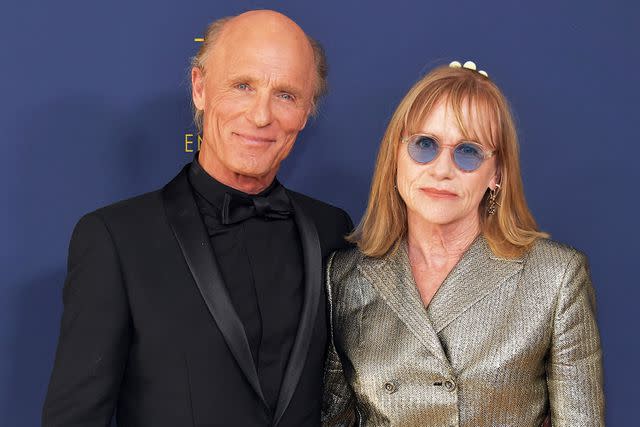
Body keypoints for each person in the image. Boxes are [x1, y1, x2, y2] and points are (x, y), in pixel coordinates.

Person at [43, 10, 352, 427]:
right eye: (242, 86)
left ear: (307, 110)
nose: (261, 116)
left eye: (286, 95)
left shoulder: (332, 229)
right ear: (199, 88)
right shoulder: (116, 240)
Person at [322, 61, 604, 426]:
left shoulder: (555, 277)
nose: (442, 169)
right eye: (425, 145)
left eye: (468, 152)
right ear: (396, 156)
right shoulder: (344, 277)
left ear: (497, 173)